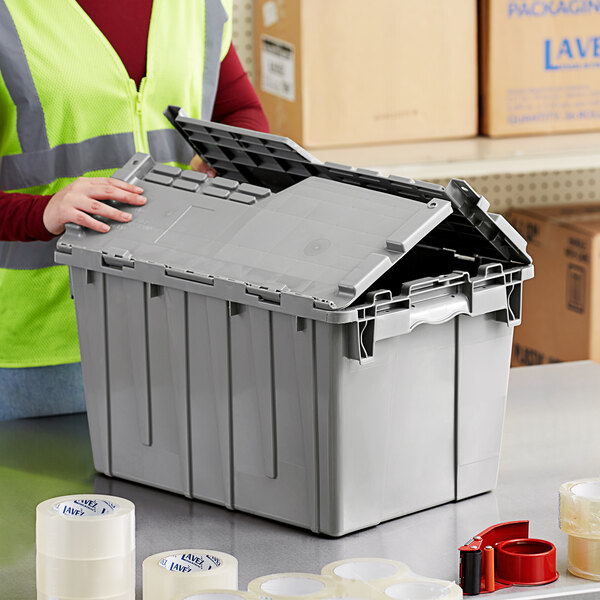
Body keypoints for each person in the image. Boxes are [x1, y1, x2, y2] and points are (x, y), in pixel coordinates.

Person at [0, 0, 269, 419]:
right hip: (39, 349)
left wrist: (230, 155)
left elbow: (240, 110)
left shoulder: (198, 7)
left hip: (181, 327)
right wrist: (41, 212)